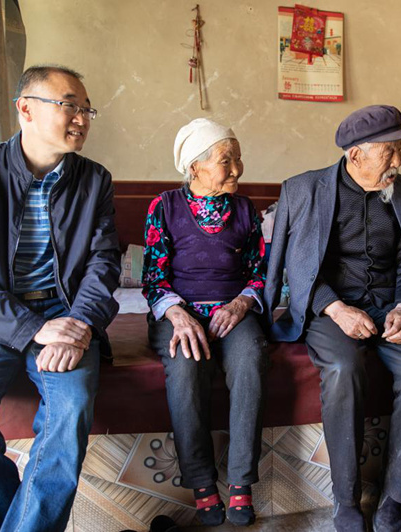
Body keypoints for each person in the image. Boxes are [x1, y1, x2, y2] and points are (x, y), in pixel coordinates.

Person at [0, 65, 121, 531]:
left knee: (69, 413)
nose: (82, 118)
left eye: (87, 109)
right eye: (69, 105)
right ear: (26, 109)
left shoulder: (94, 180)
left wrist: (80, 324)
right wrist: (33, 328)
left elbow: (103, 264)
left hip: (65, 314)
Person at [265, 105, 401, 532]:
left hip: (390, 305)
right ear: (356, 155)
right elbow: (299, 267)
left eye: (399, 150)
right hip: (331, 307)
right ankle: (346, 500)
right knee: (342, 368)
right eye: (389, 152)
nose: (398, 161)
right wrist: (336, 309)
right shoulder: (304, 190)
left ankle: (395, 497)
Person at [142, 118, 268, 527]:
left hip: (233, 309)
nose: (237, 169)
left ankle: (241, 481)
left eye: (238, 159)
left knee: (250, 358)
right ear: (194, 167)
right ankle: (200, 482)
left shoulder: (245, 209)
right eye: (225, 160)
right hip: (178, 310)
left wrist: (241, 304)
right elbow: (153, 277)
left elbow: (260, 273)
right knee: (184, 365)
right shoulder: (164, 207)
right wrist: (178, 314)